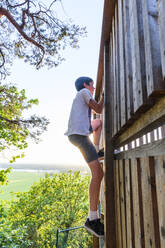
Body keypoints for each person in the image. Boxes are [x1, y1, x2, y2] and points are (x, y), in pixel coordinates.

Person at [65, 76, 104, 237]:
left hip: (80, 133)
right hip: (80, 136)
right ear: (85, 85)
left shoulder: (80, 96)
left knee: (98, 123)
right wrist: (104, 95)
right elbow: (98, 109)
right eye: (92, 85)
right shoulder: (83, 92)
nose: (93, 88)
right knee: (98, 174)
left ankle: (96, 149)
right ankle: (92, 219)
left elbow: (96, 115)